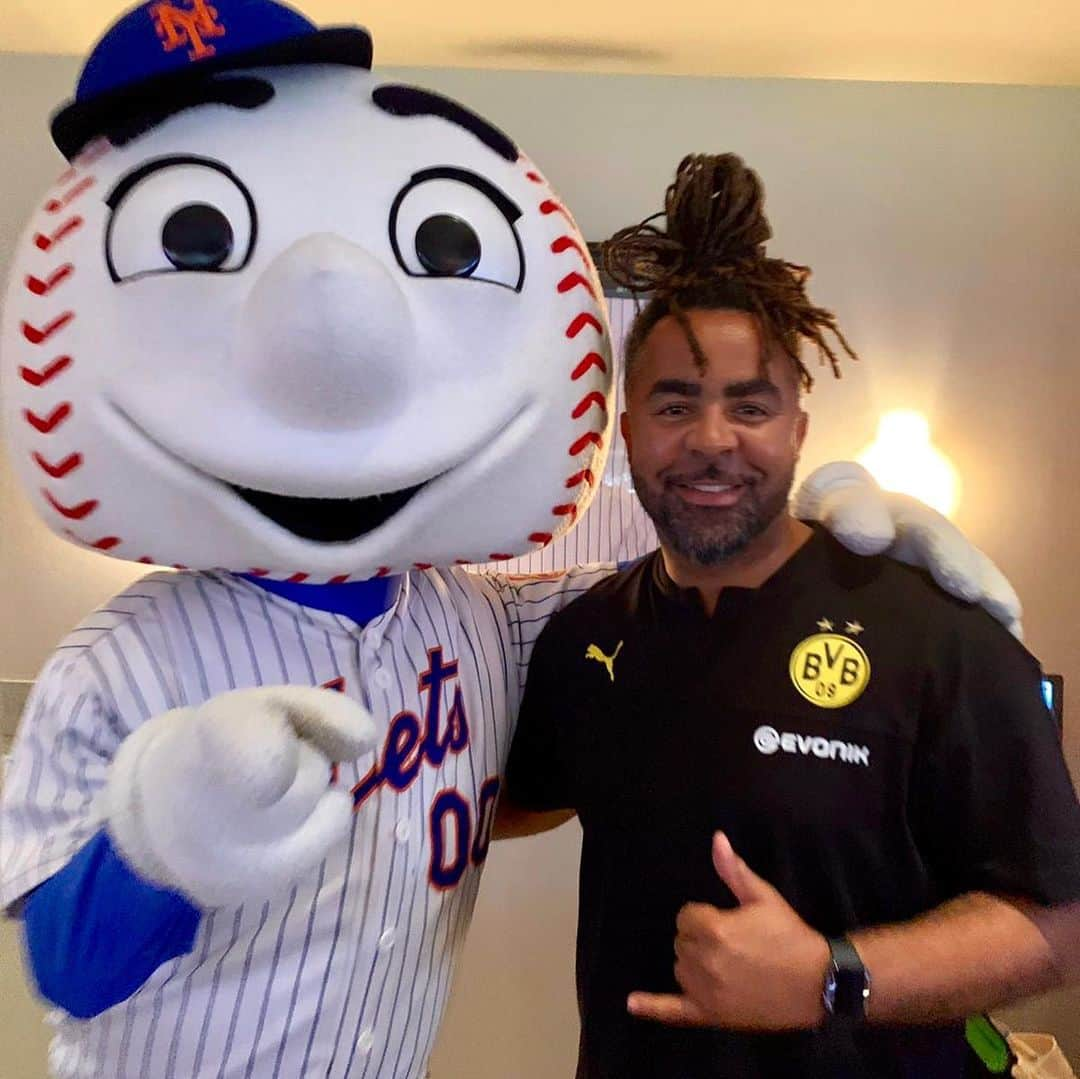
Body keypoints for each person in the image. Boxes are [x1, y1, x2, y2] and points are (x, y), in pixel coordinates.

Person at [500, 153, 1080, 1079]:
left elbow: (1056, 923)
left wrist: (831, 976)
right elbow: (496, 801)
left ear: (799, 428)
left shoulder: (936, 633)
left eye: (750, 405)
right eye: (676, 403)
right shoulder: (585, 639)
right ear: (628, 426)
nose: (712, 439)